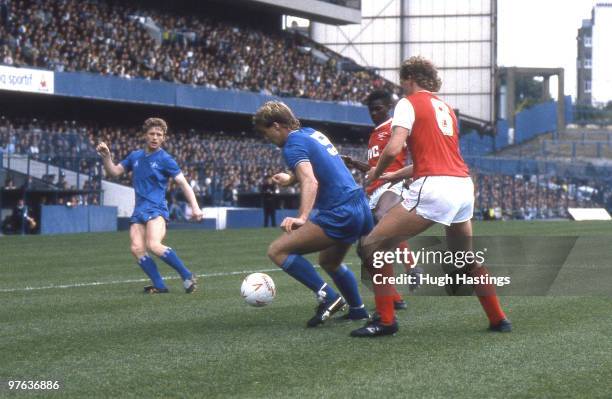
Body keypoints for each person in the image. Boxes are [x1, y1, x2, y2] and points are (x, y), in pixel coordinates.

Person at [351, 56, 511, 337]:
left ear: (409, 77)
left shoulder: (408, 103)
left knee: (370, 246)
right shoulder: (446, 108)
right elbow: (438, 158)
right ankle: (499, 318)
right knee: (464, 258)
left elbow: (393, 147)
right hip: (462, 186)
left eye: (402, 81)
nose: (401, 87)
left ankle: (386, 320)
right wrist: (394, 176)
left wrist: (376, 173)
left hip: (435, 188)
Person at [253, 101, 372, 327]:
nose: (267, 138)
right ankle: (358, 310)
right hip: (358, 203)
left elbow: (310, 179)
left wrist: (302, 217)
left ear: (276, 125)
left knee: (277, 250)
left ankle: (329, 297)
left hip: (340, 211)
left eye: (265, 132)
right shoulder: (310, 133)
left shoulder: (291, 145)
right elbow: (317, 165)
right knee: (330, 261)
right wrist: (289, 179)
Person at [96, 118, 203, 294]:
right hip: (139, 210)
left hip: (157, 209)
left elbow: (183, 184)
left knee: (153, 245)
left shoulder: (166, 159)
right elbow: (114, 172)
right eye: (152, 134)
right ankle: (159, 285)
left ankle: (187, 275)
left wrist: (195, 207)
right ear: (145, 135)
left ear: (164, 138)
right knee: (137, 248)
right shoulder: (134, 156)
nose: (155, 137)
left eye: (159, 135)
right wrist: (107, 157)